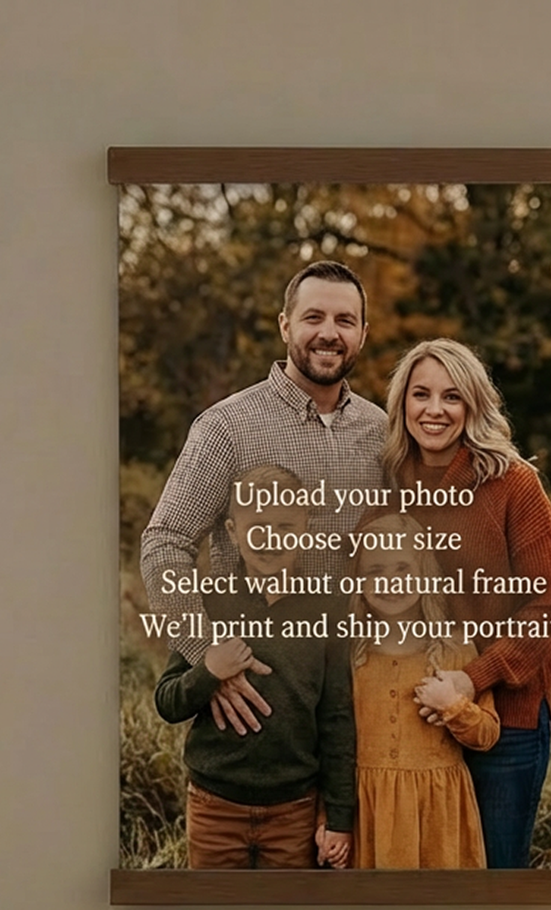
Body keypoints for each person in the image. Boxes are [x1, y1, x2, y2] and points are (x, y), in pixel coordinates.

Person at [140, 260, 387, 738]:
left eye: (345, 321)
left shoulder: (381, 431)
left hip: (359, 695)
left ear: (363, 333)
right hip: (260, 700)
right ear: (285, 325)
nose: (328, 333)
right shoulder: (228, 426)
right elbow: (165, 542)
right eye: (313, 317)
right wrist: (208, 654)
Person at [381, 338, 551, 869]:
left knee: (495, 883)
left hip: (506, 721)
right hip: (420, 716)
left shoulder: (515, 485)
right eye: (421, 395)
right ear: (402, 405)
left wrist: (472, 678)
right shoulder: (389, 484)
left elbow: (545, 610)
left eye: (451, 397)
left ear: (473, 406)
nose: (434, 410)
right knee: (431, 881)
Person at [153, 464, 354, 870]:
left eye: (284, 526)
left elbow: (337, 719)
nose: (270, 539)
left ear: (305, 528)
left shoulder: (327, 609)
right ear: (231, 531)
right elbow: (168, 701)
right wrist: (209, 670)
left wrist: (339, 816)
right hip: (215, 806)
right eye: (257, 526)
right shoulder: (210, 604)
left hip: (294, 808)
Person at [346, 510, 499, 869]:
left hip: (439, 810)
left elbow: (488, 733)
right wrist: (329, 817)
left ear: (425, 574)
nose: (391, 581)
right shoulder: (351, 654)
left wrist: (455, 707)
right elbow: (331, 744)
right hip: (369, 808)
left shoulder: (456, 649)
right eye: (375, 571)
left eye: (403, 568)